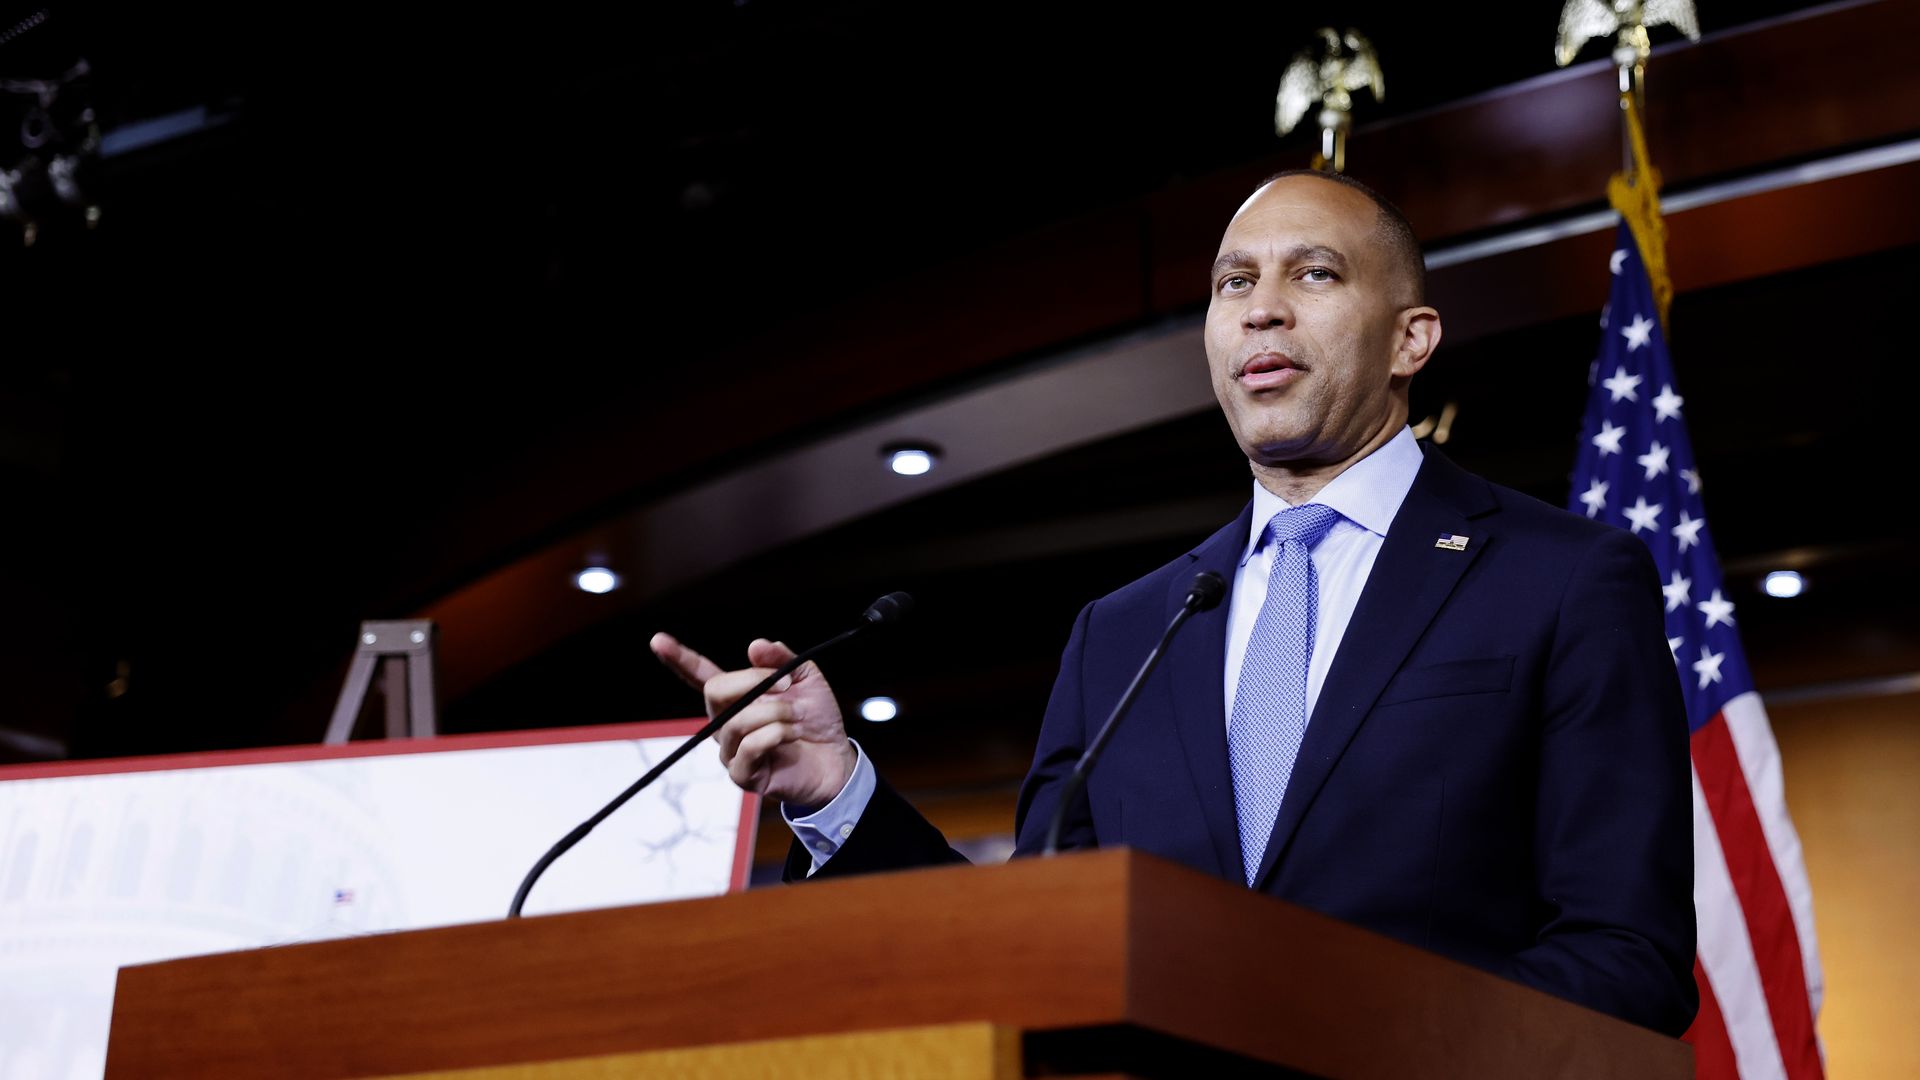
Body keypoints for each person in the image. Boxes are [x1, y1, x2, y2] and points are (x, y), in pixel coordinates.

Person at [651, 170, 1698, 1036]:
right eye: (1232, 281)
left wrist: (1356, 1032)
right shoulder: (1126, 632)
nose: (1261, 306)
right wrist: (837, 793)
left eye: (1315, 273)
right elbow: (1036, 952)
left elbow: (1627, 961)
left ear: (1411, 341)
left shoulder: (1561, 580)